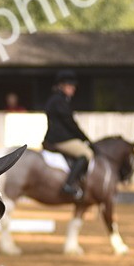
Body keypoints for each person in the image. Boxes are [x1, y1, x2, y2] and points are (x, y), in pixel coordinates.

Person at [42, 71, 92, 201]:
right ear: (61, 86)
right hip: (59, 139)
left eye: (73, 86)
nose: (73, 88)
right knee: (86, 154)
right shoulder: (59, 101)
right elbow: (70, 123)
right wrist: (84, 138)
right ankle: (68, 184)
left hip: (58, 137)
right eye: (70, 85)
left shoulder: (58, 99)